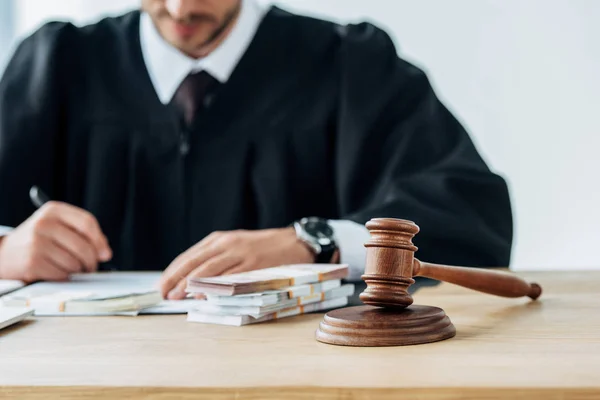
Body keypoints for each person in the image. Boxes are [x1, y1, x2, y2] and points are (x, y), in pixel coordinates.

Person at [0, 0, 513, 299]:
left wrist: (319, 244)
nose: (182, 9)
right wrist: (8, 252)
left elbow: (471, 218)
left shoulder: (350, 67)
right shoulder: (57, 65)